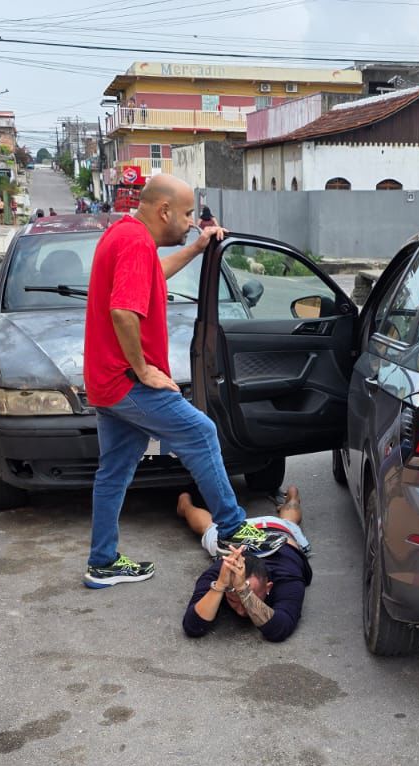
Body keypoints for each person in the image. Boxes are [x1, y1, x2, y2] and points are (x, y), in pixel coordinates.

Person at [82, 173, 287, 588]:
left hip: (105, 380)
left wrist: (197, 248)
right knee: (201, 431)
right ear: (164, 211)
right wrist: (142, 369)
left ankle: (102, 562)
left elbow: (154, 274)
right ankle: (231, 524)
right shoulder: (136, 242)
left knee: (114, 472)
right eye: (188, 214)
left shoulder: (126, 234)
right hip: (126, 381)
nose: (192, 221)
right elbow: (123, 311)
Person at [180, 487, 311, 642]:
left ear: (269, 587)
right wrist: (220, 585)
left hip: (278, 530)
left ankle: (293, 497)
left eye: (246, 597)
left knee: (290, 523)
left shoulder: (287, 579)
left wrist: (243, 590)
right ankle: (184, 505)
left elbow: (279, 629)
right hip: (238, 535)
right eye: (234, 599)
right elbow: (192, 625)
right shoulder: (220, 573)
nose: (242, 611)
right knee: (208, 527)